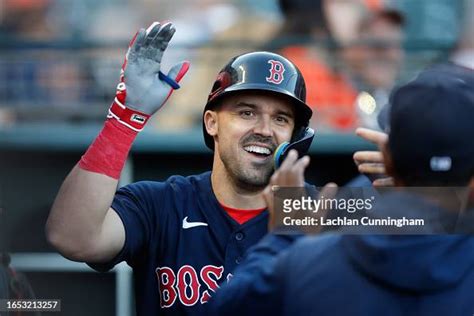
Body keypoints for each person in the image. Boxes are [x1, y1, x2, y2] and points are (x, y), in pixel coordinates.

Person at [45, 21, 313, 315]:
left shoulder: (321, 209)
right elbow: (72, 238)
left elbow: (373, 239)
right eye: (246, 112)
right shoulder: (161, 204)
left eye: (281, 119)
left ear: (296, 137)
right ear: (212, 122)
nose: (264, 129)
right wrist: (124, 119)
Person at [209, 63, 474, 315]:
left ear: (388, 159)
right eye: (246, 113)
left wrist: (285, 234)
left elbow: (226, 309)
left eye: (280, 118)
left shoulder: (311, 263)